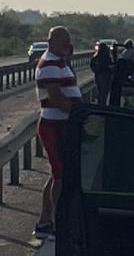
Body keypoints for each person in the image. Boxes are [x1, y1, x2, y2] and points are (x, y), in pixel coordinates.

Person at [33, 26, 81, 239]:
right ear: (51, 41)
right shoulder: (49, 64)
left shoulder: (60, 62)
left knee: (57, 174)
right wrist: (79, 113)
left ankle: (45, 221)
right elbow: (55, 98)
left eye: (69, 42)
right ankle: (56, 221)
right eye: (63, 41)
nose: (67, 45)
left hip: (60, 125)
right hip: (54, 126)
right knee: (59, 174)